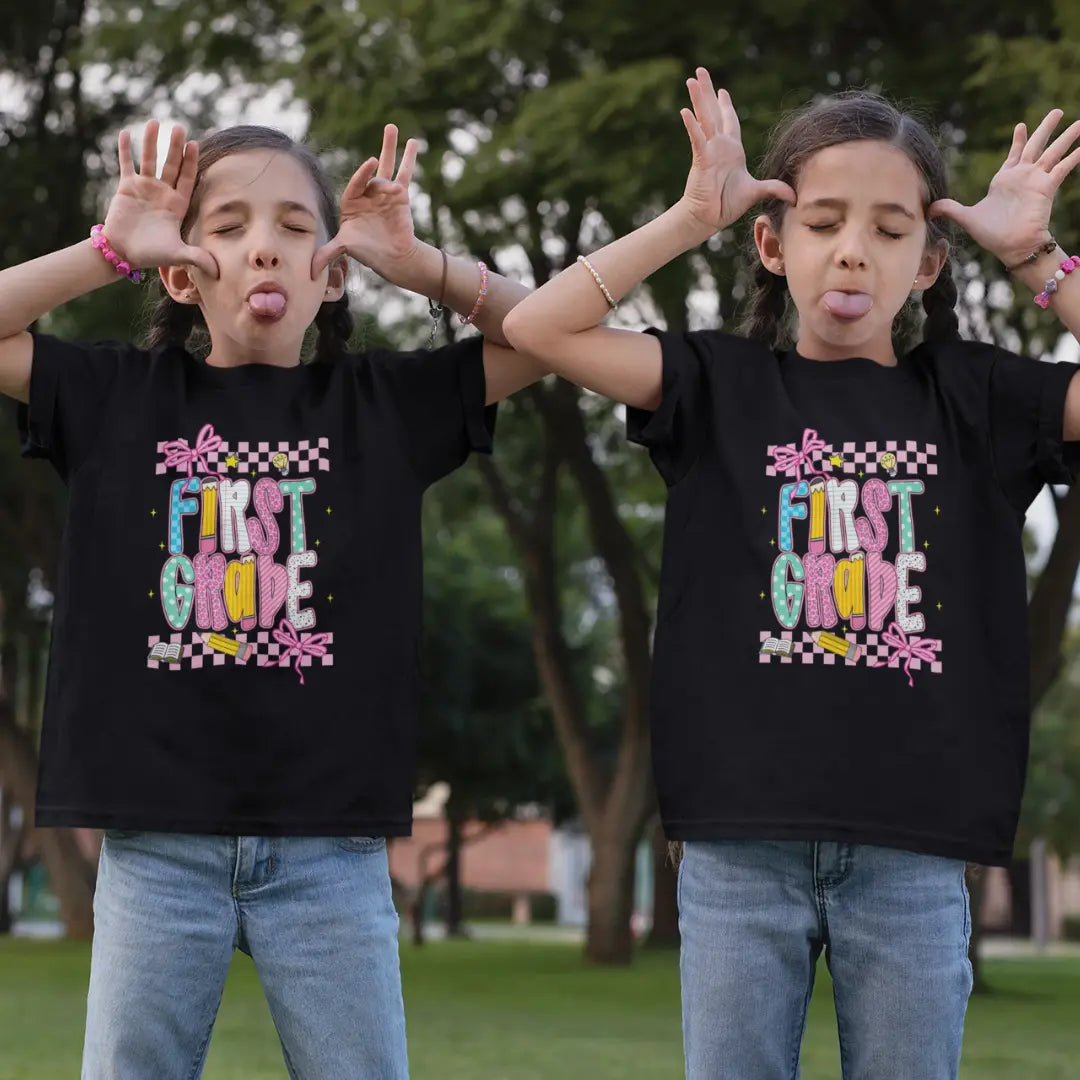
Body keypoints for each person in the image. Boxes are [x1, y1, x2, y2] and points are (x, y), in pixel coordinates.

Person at [503, 67, 1080, 1079]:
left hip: (913, 851)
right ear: (773, 242)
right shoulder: (718, 386)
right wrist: (690, 218)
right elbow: (539, 331)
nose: (854, 248)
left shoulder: (978, 399)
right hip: (737, 851)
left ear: (931, 263)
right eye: (822, 222)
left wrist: (1037, 257)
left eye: (893, 230)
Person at [0, 118, 542, 1079]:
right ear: (180, 269)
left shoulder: (384, 407)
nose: (264, 245)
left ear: (332, 274)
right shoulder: (114, 399)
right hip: (157, 851)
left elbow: (553, 338)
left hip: (328, 857)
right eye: (230, 223)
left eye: (298, 227)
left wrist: (419, 267)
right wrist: (107, 251)